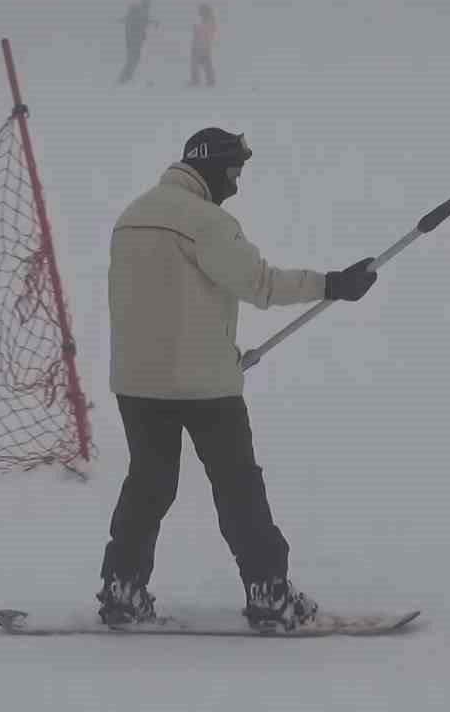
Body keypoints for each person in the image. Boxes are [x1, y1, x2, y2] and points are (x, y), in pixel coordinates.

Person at [97, 127, 379, 631]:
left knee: (149, 484)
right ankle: (269, 593)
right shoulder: (207, 222)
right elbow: (261, 285)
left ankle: (123, 587)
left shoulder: (129, 217)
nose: (237, 184)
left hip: (136, 385)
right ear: (211, 167)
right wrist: (331, 283)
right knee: (237, 489)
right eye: (234, 173)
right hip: (205, 388)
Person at [116, 0, 158, 85]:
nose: (148, 10)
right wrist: (154, 22)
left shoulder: (137, 14)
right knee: (133, 59)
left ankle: (125, 77)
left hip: (131, 40)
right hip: (135, 41)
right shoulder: (141, 14)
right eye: (148, 7)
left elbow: (126, 20)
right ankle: (124, 78)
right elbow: (145, 21)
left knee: (132, 59)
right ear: (145, 6)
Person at [189, 3, 217, 88]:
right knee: (205, 63)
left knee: (196, 63)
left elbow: (205, 32)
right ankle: (210, 80)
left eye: (201, 11)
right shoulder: (208, 20)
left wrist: (197, 29)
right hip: (204, 45)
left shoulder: (209, 20)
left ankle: (196, 80)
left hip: (201, 46)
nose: (199, 13)